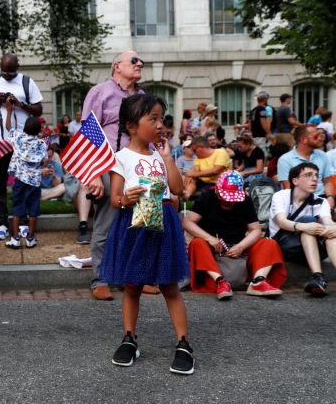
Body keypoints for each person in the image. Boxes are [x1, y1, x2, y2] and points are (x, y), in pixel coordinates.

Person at [99, 93, 193, 375]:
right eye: (152, 119)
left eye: (161, 119)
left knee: (169, 286)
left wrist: (167, 160)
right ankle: (129, 338)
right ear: (131, 126)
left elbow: (177, 190)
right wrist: (126, 199)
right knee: (132, 286)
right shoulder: (121, 157)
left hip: (164, 222)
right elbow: (115, 198)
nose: (159, 125)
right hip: (134, 224)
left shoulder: (162, 154)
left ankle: (184, 343)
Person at [80, 50, 145, 301]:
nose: (140, 64)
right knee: (106, 224)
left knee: (139, 223)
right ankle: (101, 279)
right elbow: (89, 132)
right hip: (107, 164)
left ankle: (135, 278)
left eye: (141, 62)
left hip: (136, 166)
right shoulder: (100, 92)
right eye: (134, 61)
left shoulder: (142, 96)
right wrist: (93, 174)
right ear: (117, 66)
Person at [183, 170, 286, 300]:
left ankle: (258, 281)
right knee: (197, 243)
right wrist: (210, 238)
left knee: (269, 243)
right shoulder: (207, 197)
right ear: (217, 191)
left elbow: (255, 229)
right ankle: (220, 281)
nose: (230, 202)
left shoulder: (245, 201)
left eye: (233, 199)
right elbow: (187, 222)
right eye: (226, 198)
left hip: (239, 248)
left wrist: (241, 246)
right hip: (212, 251)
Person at [0, 53, 43, 241]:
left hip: (21, 145)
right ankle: (1, 224)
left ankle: (22, 222)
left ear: (18, 67)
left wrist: (20, 104)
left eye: (11, 71)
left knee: (22, 185)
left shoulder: (26, 82)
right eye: (4, 71)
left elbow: (38, 109)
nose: (7, 75)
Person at [270, 163, 336, 296]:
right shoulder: (280, 195)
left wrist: (332, 229)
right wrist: (305, 226)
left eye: (316, 175)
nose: (315, 179)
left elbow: (328, 222)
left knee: (331, 234)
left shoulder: (321, 201)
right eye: (308, 175)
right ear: (295, 181)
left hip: (311, 247)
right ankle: (317, 275)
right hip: (285, 246)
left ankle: (318, 279)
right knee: (308, 221)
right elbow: (282, 222)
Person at [4, 108, 46, 249]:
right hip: (35, 182)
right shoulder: (41, 144)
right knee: (33, 209)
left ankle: (15, 238)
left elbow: (8, 127)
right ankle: (30, 238)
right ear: (38, 130)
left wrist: (9, 112)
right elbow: (44, 161)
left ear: (25, 128)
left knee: (17, 207)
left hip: (20, 180)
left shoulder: (18, 138)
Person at [277, 125, 334, 207]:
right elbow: (288, 188)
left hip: (322, 198)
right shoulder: (285, 159)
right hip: (299, 201)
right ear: (304, 140)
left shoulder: (322, 155)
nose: (321, 138)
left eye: (321, 135)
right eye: (316, 136)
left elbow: (328, 181)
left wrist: (330, 198)